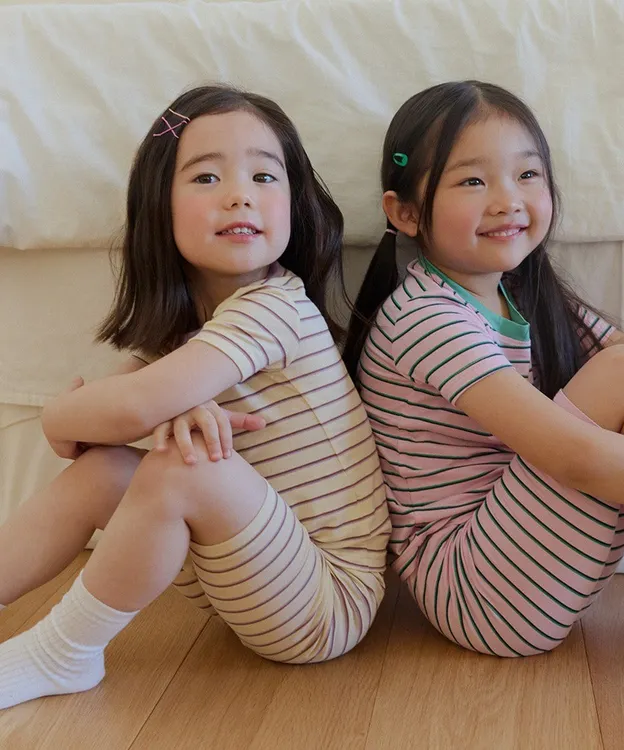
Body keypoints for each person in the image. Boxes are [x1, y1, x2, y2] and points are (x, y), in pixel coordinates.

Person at [0, 84, 389, 710]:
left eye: (264, 176)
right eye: (207, 178)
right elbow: (102, 429)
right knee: (105, 472)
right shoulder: (187, 330)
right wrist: (137, 410)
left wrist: (60, 412)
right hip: (239, 575)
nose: (239, 194)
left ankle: (64, 652)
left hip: (325, 600)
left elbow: (122, 409)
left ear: (294, 205)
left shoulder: (275, 306)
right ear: (161, 206)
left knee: (184, 466)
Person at [343, 80, 624, 669]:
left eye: (527, 175)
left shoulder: (523, 295)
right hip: (474, 589)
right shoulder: (424, 317)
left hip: (524, 554)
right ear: (405, 212)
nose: (508, 200)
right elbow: (571, 456)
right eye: (473, 181)